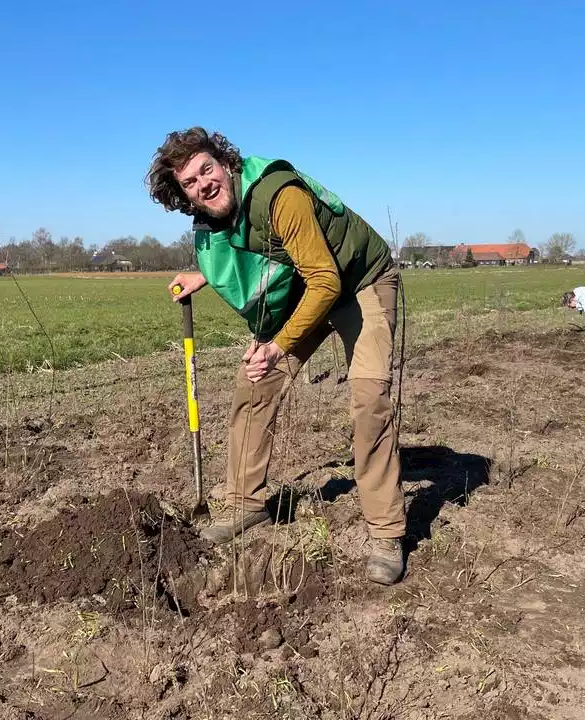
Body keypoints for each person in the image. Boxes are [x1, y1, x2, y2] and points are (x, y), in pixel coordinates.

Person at [145, 127, 407, 585]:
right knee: (255, 382)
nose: (203, 183)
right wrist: (202, 277)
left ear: (225, 163)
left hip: (359, 281)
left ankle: (386, 533)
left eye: (207, 169)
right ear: (182, 193)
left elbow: (326, 278)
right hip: (310, 288)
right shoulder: (216, 217)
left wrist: (278, 344)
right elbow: (252, 257)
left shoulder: (278, 195)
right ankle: (247, 505)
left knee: (368, 399)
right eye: (190, 182)